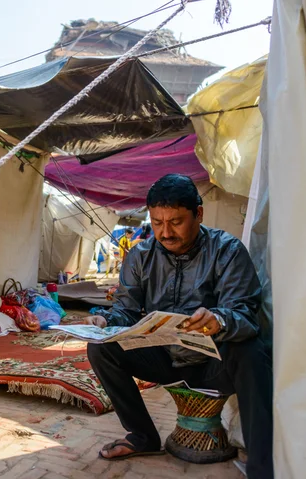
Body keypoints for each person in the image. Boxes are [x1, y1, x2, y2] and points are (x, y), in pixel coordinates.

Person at [85, 174, 273, 479]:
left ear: (198, 214)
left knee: (250, 350)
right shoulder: (140, 256)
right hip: (165, 361)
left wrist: (219, 321)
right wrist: (106, 321)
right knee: (101, 347)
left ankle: (264, 467)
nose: (165, 232)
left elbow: (246, 316)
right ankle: (143, 436)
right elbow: (126, 311)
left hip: (215, 365)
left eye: (175, 221)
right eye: (157, 222)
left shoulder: (227, 251)